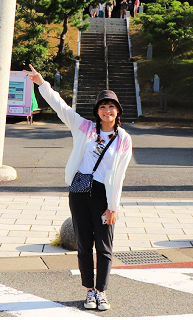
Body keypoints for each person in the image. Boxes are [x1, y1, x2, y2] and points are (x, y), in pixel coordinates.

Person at [25, 64, 133, 311]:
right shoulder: (83, 127)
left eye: (111, 107)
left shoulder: (124, 139)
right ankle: (89, 291)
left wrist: (113, 206)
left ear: (117, 111)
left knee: (104, 245)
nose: (107, 110)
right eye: (103, 106)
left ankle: (102, 291)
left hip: (103, 195)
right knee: (84, 243)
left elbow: (120, 176)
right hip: (80, 191)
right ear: (97, 111)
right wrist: (42, 83)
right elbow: (60, 106)